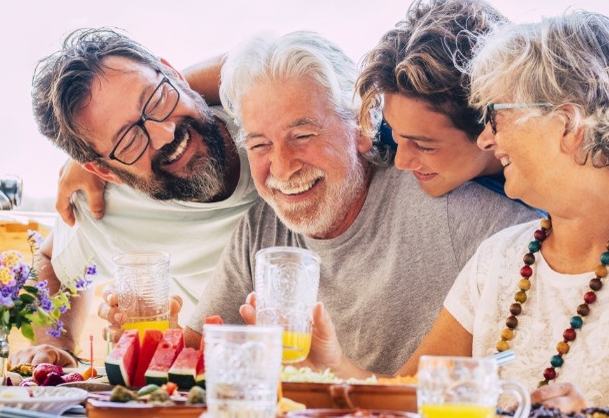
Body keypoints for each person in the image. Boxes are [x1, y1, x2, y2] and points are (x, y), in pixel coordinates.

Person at [298, 11, 609, 417]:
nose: (486, 138)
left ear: (567, 124)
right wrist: (333, 366)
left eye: (496, 116)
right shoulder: (498, 259)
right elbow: (412, 400)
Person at [175, 30, 540, 374]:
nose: (283, 169)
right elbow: (189, 365)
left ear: (363, 127)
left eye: (302, 135)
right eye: (259, 145)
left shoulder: (456, 209)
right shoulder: (260, 230)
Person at [9, 28, 260, 367]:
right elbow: (53, 261)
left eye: (155, 99)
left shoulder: (259, 111)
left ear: (173, 75)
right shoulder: (107, 204)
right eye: (128, 141)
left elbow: (266, 62)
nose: (164, 134)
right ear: (105, 171)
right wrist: (58, 348)